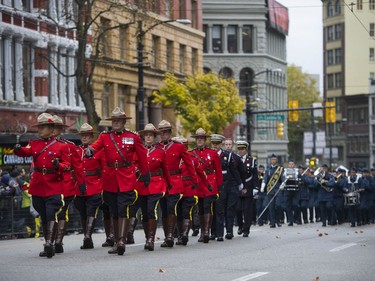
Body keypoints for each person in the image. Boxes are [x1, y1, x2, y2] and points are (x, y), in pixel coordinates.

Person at [85, 107, 150, 255]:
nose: (116, 123)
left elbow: (142, 157)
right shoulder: (105, 136)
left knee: (123, 208)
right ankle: (116, 241)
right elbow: (96, 146)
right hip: (110, 178)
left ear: (124, 122)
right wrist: (90, 151)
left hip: (126, 177)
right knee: (114, 210)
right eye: (114, 120)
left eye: (119, 121)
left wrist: (146, 174)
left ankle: (121, 240)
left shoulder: (133, 137)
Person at [14, 113, 71, 258]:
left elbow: (67, 165)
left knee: (51, 212)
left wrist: (59, 165)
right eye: (39, 127)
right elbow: (25, 152)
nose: (40, 130)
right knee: (44, 215)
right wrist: (17, 148)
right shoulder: (34, 143)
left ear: (51, 129)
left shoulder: (62, 146)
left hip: (54, 184)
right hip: (38, 185)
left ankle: (49, 244)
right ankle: (48, 243)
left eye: (43, 127)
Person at [155, 120, 198, 248]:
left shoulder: (178, 146)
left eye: (165, 132)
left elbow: (189, 164)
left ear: (169, 133)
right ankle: (170, 234)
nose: (163, 135)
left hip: (174, 181)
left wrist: (194, 180)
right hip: (161, 182)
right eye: (161, 133)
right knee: (163, 209)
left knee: (171, 207)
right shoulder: (157, 147)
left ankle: (171, 236)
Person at [51, 115, 84, 254]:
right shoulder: (41, 145)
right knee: (49, 214)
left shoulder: (70, 146)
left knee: (62, 212)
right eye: (51, 127)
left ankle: (58, 241)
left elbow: (77, 166)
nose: (53, 130)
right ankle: (50, 241)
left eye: (56, 127)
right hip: (47, 184)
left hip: (65, 184)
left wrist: (81, 183)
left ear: (60, 129)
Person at [136, 123, 171, 251]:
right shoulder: (139, 150)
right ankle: (147, 237)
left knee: (151, 209)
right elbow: (134, 163)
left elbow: (165, 170)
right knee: (144, 212)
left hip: (156, 184)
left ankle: (151, 238)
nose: (148, 137)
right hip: (142, 185)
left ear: (155, 137)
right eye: (146, 135)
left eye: (151, 135)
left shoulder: (160, 151)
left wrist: (169, 184)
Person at [74, 123, 105, 250]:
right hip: (79, 185)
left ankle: (87, 236)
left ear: (92, 136)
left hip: (94, 184)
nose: (84, 137)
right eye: (82, 135)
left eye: (87, 135)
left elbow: (103, 169)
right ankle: (88, 237)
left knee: (91, 210)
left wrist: (103, 185)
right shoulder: (76, 150)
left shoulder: (98, 151)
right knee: (82, 211)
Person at [173, 136, 206, 246]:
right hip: (177, 187)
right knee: (178, 212)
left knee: (186, 211)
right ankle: (179, 235)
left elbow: (200, 172)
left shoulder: (193, 158)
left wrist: (204, 184)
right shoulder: (174, 158)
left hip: (189, 188)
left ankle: (185, 234)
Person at [191, 129, 222, 243]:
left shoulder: (212, 153)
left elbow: (218, 171)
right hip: (198, 183)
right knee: (199, 208)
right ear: (195, 140)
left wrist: (218, 186)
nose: (199, 140)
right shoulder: (192, 153)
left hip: (210, 183)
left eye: (202, 138)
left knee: (207, 207)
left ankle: (206, 232)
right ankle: (201, 231)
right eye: (198, 138)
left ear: (205, 140)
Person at [235, 140, 258, 237]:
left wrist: (255, 187)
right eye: (238, 149)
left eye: (242, 149)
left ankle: (246, 229)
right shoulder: (235, 159)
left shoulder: (251, 160)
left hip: (248, 186)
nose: (240, 151)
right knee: (238, 209)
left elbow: (255, 175)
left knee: (247, 210)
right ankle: (240, 225)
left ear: (246, 150)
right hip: (238, 186)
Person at [261, 154, 285, 228]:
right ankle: (272, 222)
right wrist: (263, 185)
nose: (273, 161)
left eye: (274, 159)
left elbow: (283, 177)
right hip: (270, 190)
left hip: (278, 190)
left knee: (278, 205)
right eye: (272, 159)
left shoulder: (280, 169)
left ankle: (278, 220)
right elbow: (265, 178)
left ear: (276, 160)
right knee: (271, 207)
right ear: (270, 160)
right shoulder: (268, 170)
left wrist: (283, 183)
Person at [283, 159, 301, 226]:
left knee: (295, 205)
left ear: (294, 165)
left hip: (295, 191)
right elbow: (283, 179)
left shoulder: (297, 171)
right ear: (288, 165)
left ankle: (296, 218)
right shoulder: (285, 171)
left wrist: (299, 180)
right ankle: (291, 221)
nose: (291, 165)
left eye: (292, 164)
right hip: (287, 190)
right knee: (288, 206)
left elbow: (300, 178)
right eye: (290, 164)